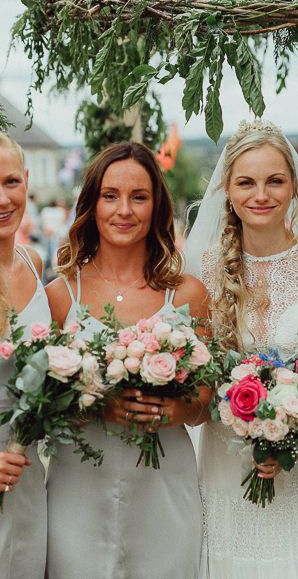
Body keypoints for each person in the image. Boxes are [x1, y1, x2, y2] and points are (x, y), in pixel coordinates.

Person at [185, 119, 298, 578]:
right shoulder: (201, 271)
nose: (261, 194)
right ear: (227, 189)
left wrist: (297, 428)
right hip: (226, 468)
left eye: (275, 180)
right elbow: (196, 380)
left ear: (295, 187)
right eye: (247, 182)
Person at [45, 142, 210, 579]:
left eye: (139, 196)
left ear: (156, 207)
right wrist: (94, 403)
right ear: (91, 205)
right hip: (78, 487)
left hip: (162, 486)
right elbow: (40, 404)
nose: (124, 210)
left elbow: (205, 404)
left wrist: (177, 409)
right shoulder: (60, 296)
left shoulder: (188, 295)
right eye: (110, 196)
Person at [0, 133, 51, 578]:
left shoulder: (34, 261)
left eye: (11, 181)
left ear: (27, 182)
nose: (2, 198)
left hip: (28, 473)